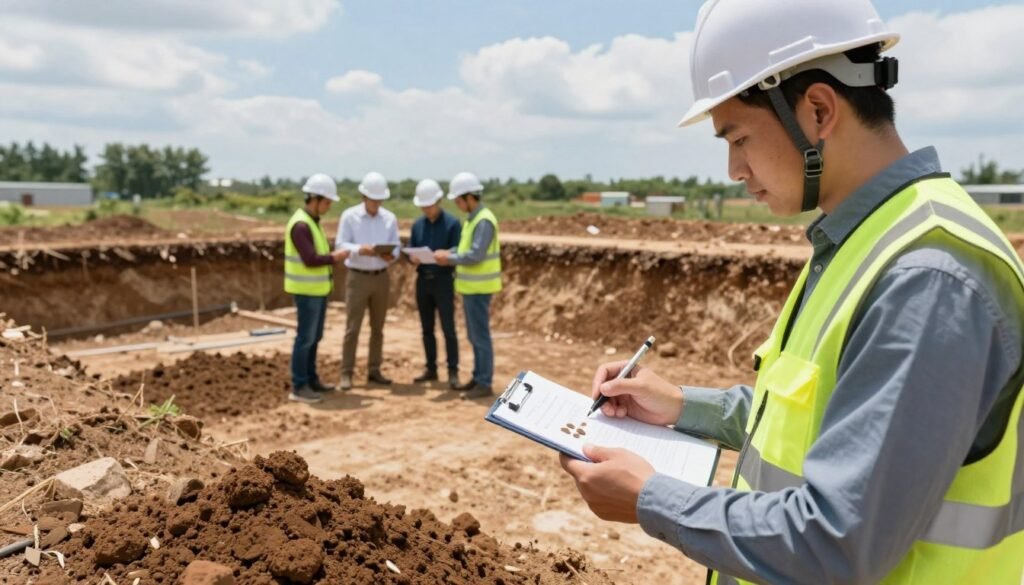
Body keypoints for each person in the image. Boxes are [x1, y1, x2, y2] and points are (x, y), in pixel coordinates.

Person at [559, 2, 1024, 584]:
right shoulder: (862, 239)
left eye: (739, 137)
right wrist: (683, 406)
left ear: (819, 110)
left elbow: (837, 542)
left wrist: (650, 498)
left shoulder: (927, 276)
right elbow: (828, 418)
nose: (733, 168)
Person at [435, 171, 502, 400]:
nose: (457, 204)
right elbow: (466, 250)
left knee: (480, 336)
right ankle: (478, 377)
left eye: (458, 200)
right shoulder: (473, 219)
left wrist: (449, 259)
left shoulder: (483, 220)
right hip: (470, 289)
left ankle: (484, 382)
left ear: (468, 197)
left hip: (479, 290)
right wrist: (450, 253)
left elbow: (475, 255)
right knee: (475, 336)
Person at [284, 173, 350, 404]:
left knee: (314, 337)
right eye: (327, 202)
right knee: (306, 338)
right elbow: (310, 259)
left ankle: (311, 379)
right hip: (307, 293)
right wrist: (334, 257)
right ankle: (299, 385)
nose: (329, 206)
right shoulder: (301, 225)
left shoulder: (311, 222)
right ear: (316, 198)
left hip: (317, 292)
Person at [335, 171, 400, 390]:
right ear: (364, 197)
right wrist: (359, 249)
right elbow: (341, 245)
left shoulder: (389, 218)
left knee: (377, 328)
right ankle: (347, 373)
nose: (376, 203)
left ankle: (374, 370)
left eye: (380, 199)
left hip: (381, 277)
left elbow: (397, 246)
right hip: (357, 277)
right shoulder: (349, 216)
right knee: (352, 328)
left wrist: (391, 255)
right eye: (373, 199)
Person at [408, 178, 463, 388]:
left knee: (448, 328)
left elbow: (461, 249)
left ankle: (453, 372)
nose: (426, 210)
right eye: (423, 206)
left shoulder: (452, 223)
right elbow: (411, 248)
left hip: (443, 281)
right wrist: (411, 257)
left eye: (429, 205)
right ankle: (431, 369)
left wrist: (447, 254)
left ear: (438, 201)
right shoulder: (417, 225)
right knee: (426, 328)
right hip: (423, 281)